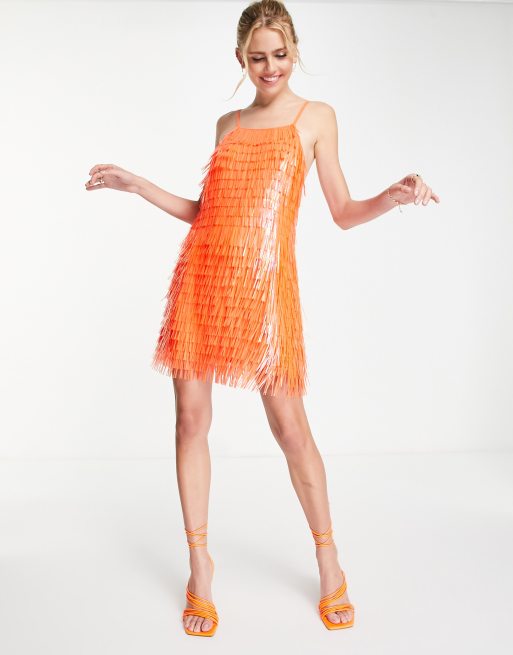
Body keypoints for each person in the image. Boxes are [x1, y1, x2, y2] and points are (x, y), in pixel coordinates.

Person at [85, 0, 440, 638]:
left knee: (290, 428)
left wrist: (393, 196)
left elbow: (342, 211)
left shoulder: (316, 117)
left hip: (267, 291)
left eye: (279, 54)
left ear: (294, 51)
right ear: (240, 59)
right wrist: (138, 185)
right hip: (202, 280)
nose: (269, 66)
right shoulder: (228, 124)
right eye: (257, 57)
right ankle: (199, 564)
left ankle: (328, 559)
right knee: (190, 421)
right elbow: (209, 213)